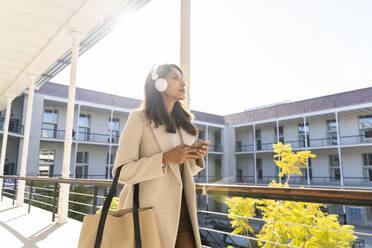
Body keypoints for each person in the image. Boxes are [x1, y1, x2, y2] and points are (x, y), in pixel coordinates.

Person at [112, 64, 210, 248]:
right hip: (148, 215)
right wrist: (165, 158)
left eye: (182, 79)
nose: (183, 83)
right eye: (176, 78)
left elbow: (179, 173)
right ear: (160, 84)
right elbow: (122, 171)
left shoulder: (183, 124)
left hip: (184, 214)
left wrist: (193, 156)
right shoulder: (138, 119)